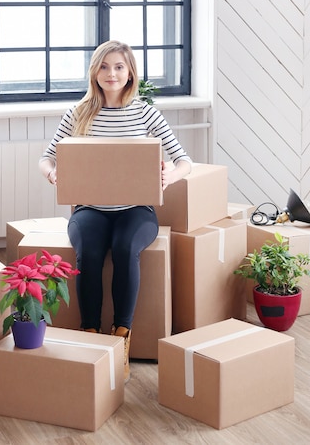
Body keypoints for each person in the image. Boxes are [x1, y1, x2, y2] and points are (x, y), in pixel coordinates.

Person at [39, 40, 192, 381]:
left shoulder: (146, 113)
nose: (112, 73)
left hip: (136, 210)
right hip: (90, 209)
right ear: (95, 71)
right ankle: (90, 334)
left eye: (119, 67)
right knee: (89, 253)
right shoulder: (79, 112)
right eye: (105, 66)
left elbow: (185, 162)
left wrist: (170, 175)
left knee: (125, 248)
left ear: (130, 72)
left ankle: (121, 336)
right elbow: (46, 157)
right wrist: (53, 172)